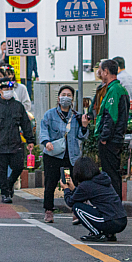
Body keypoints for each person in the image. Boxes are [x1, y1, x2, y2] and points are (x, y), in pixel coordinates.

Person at [38, 85, 89, 223]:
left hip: (69, 157)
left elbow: (81, 136)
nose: (65, 97)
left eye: (69, 95)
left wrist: (84, 126)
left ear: (72, 99)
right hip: (53, 156)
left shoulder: (76, 116)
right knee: (50, 183)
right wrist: (46, 142)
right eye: (63, 94)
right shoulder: (50, 114)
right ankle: (48, 211)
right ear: (58, 97)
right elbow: (43, 130)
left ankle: (76, 211)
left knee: (69, 182)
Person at [0, 78, 35, 204]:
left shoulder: (18, 106)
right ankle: (5, 194)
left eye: (11, 89)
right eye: (6, 89)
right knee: (1, 171)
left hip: (15, 144)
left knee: (18, 167)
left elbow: (26, 124)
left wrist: (30, 140)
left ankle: (10, 184)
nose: (9, 91)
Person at [64, 156, 127, 242]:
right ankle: (109, 234)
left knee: (77, 208)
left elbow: (70, 202)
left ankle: (96, 234)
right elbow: (83, 195)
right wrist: (73, 188)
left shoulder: (86, 185)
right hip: (122, 220)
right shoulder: (102, 178)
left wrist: (66, 189)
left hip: (110, 220)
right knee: (97, 208)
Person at [94, 59, 130, 199]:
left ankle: (114, 204)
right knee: (112, 173)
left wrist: (104, 138)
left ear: (106, 71)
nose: (100, 73)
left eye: (101, 70)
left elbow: (111, 117)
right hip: (114, 139)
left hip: (110, 141)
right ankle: (114, 204)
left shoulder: (114, 90)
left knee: (111, 174)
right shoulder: (115, 89)